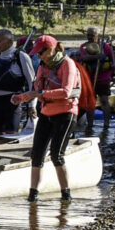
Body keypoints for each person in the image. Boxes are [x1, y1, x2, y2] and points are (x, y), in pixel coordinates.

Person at [24, 35, 86, 197]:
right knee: (36, 155)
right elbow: (37, 89)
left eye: (41, 53)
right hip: (46, 112)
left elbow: (66, 91)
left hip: (66, 113)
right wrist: (25, 97)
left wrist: (38, 93)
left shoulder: (67, 64)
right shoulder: (42, 66)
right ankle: (33, 195)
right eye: (37, 54)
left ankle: (66, 194)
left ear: (51, 50)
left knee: (56, 155)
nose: (38, 56)